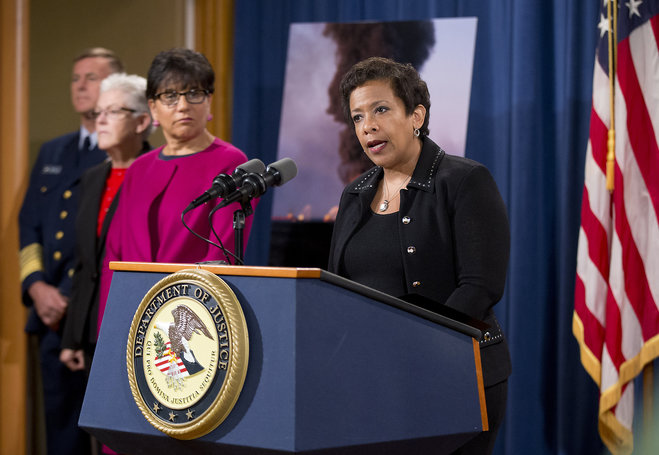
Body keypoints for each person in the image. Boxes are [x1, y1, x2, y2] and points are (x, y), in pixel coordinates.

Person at [327, 57, 511, 454]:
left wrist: (412, 347)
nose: (368, 126)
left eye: (380, 110)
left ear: (416, 115)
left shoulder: (465, 181)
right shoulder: (354, 194)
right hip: (373, 380)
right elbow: (336, 287)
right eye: (358, 117)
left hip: (455, 376)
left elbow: (481, 286)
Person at [98, 48, 256, 326]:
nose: (183, 105)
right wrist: (109, 327)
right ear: (153, 107)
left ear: (209, 102)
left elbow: (221, 257)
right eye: (170, 96)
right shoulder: (139, 168)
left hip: (189, 317)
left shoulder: (231, 163)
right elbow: (114, 255)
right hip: (131, 314)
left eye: (194, 93)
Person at [18, 47, 123, 455]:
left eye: (91, 78)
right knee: (61, 432)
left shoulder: (127, 150)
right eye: (76, 78)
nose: (80, 86)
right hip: (50, 312)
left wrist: (74, 297)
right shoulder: (53, 152)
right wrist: (35, 285)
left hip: (99, 312)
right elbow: (30, 226)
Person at [60, 73, 153, 373]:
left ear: (141, 122)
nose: (100, 120)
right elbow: (84, 264)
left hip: (138, 330)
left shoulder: (156, 175)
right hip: (89, 332)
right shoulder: (92, 178)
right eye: (98, 112)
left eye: (113, 111)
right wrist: (72, 336)